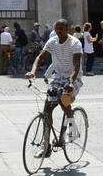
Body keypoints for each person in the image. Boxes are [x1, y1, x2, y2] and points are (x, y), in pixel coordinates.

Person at [27, 20, 82, 150]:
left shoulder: (75, 43)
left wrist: (71, 82)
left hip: (73, 78)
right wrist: (33, 72)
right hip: (57, 77)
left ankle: (71, 124)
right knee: (48, 108)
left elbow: (77, 65)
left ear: (67, 29)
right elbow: (40, 58)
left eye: (61, 28)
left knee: (64, 99)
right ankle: (46, 146)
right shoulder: (52, 42)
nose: (59, 31)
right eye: (56, 29)